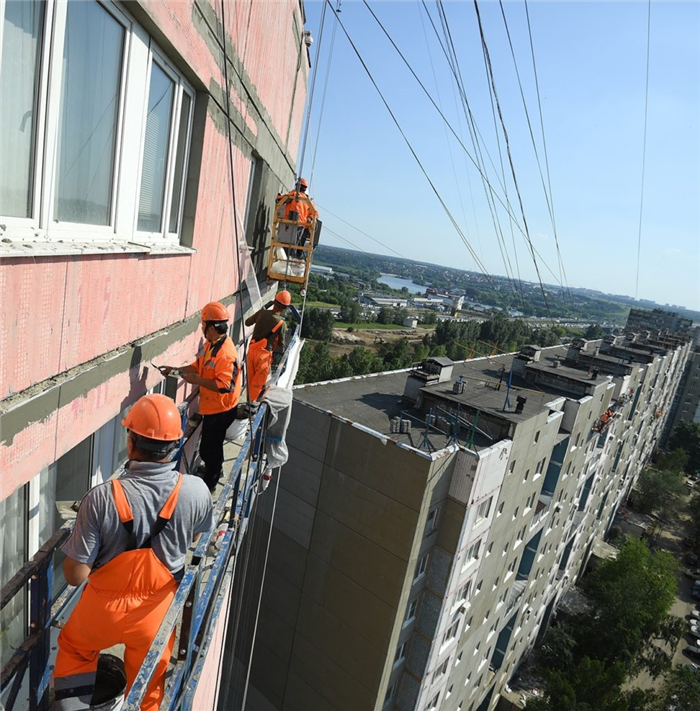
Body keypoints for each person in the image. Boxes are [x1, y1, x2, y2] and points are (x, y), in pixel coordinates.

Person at [53, 394, 213, 711]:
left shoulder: (100, 498)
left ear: (131, 442)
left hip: (101, 611)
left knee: (75, 650)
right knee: (149, 684)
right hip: (156, 612)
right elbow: (194, 534)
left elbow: (75, 576)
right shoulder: (195, 490)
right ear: (176, 443)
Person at [160, 302, 242, 491]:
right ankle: (215, 469)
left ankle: (210, 484)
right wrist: (177, 370)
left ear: (211, 327)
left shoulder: (225, 354)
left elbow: (225, 386)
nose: (202, 328)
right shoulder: (212, 344)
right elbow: (199, 365)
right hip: (215, 407)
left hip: (221, 409)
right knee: (212, 446)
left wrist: (197, 380)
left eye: (203, 324)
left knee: (209, 448)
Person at [245, 291, 290, 401]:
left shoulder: (261, 313)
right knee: (257, 384)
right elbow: (281, 345)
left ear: (274, 301)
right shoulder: (281, 324)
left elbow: (247, 322)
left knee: (250, 381)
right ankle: (250, 409)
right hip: (263, 356)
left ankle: (248, 404)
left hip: (251, 352)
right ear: (284, 308)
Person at [276, 178, 318, 258]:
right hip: (301, 225)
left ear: (297, 186)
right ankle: (292, 258)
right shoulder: (307, 200)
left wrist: (278, 196)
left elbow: (280, 200)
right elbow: (315, 213)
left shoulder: (294, 195)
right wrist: (310, 218)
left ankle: (288, 259)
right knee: (295, 244)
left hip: (290, 223)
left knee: (286, 243)